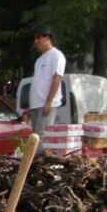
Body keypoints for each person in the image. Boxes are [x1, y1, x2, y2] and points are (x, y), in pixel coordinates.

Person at [25, 25, 66, 154]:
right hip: (37, 105)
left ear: (47, 38)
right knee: (34, 136)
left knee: (40, 136)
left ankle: (33, 164)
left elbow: (57, 79)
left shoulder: (56, 55)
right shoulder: (39, 60)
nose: (35, 42)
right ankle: (32, 163)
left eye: (38, 38)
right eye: (34, 38)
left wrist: (48, 102)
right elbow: (39, 82)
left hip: (47, 104)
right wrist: (31, 106)